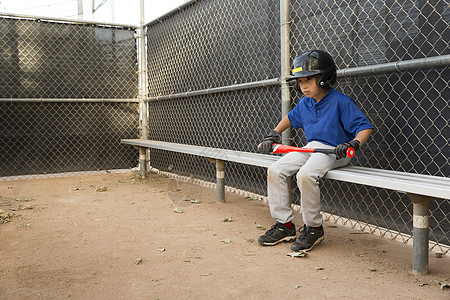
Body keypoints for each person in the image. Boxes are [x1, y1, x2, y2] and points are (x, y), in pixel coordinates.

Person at [258, 50, 373, 252]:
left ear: (325, 78)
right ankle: (284, 225)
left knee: (306, 174)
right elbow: (291, 118)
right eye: (300, 81)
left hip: (335, 151)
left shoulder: (341, 101)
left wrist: (353, 144)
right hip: (311, 147)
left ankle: (313, 227)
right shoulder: (305, 103)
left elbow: (365, 127)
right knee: (275, 170)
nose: (303, 86)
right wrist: (273, 134)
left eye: (309, 80)